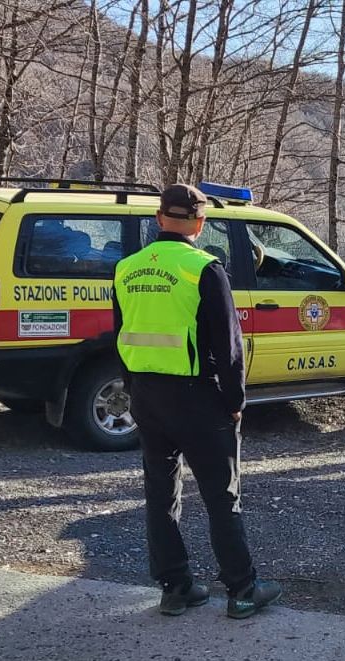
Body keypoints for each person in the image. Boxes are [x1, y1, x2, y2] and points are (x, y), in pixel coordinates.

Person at [112, 183, 282, 619]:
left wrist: (134, 387)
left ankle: (175, 587)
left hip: (147, 395)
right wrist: (235, 400)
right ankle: (242, 589)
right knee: (221, 495)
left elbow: (121, 332)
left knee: (160, 492)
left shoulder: (126, 269)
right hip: (198, 397)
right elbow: (228, 346)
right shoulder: (204, 269)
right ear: (201, 224)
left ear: (158, 219)